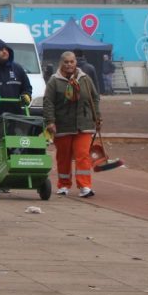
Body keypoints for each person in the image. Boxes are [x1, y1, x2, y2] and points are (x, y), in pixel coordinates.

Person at [43, 50, 101, 198]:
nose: (69, 65)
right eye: (66, 62)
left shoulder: (85, 79)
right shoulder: (54, 81)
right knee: (64, 156)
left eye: (72, 62)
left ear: (76, 62)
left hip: (84, 124)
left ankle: (85, 186)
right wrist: (50, 121)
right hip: (63, 125)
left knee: (82, 155)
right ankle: (63, 184)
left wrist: (97, 117)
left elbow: (95, 98)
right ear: (61, 63)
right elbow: (48, 102)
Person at [0, 38, 33, 183]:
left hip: (14, 117)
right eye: (1, 49)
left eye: (6, 49)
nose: (5, 52)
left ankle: (11, 176)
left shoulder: (17, 69)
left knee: (13, 147)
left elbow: (27, 88)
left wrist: (26, 96)